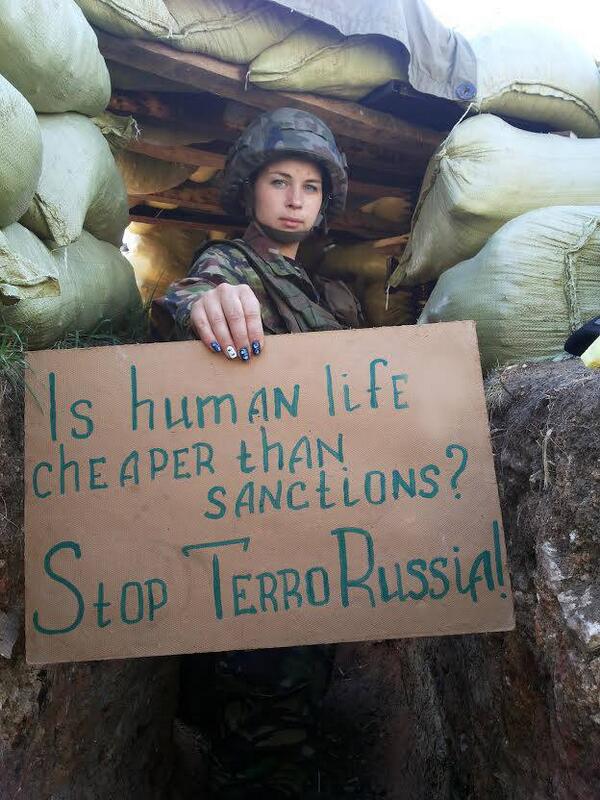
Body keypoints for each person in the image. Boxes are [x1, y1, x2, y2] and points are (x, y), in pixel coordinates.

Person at [152, 107, 363, 799]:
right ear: (250, 189)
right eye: (279, 181)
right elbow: (194, 294)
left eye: (311, 186)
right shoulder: (230, 265)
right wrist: (201, 307)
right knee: (262, 703)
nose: (296, 198)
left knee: (302, 682)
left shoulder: (325, 291)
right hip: (251, 528)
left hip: (317, 519)